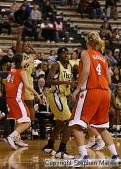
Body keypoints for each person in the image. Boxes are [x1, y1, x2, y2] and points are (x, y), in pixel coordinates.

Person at [69, 31, 119, 161]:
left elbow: (85, 71)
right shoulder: (103, 58)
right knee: (101, 127)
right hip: (105, 92)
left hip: (91, 91)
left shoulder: (85, 53)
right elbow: (109, 79)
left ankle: (83, 155)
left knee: (75, 124)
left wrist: (78, 89)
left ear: (88, 42)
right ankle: (115, 156)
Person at [42, 47, 74, 159]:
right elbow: (48, 81)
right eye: (64, 53)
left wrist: (71, 93)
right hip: (55, 95)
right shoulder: (56, 65)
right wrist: (65, 82)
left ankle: (49, 146)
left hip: (63, 96)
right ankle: (62, 150)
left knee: (60, 123)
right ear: (59, 55)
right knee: (70, 122)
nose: (66, 55)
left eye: (67, 53)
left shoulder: (69, 66)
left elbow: (68, 84)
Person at [5, 53, 41, 150]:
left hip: (9, 98)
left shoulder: (12, 69)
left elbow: (20, 63)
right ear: (21, 62)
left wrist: (29, 59)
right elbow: (28, 86)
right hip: (17, 99)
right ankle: (11, 137)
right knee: (27, 122)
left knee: (19, 119)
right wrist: (37, 94)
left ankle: (17, 138)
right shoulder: (22, 72)